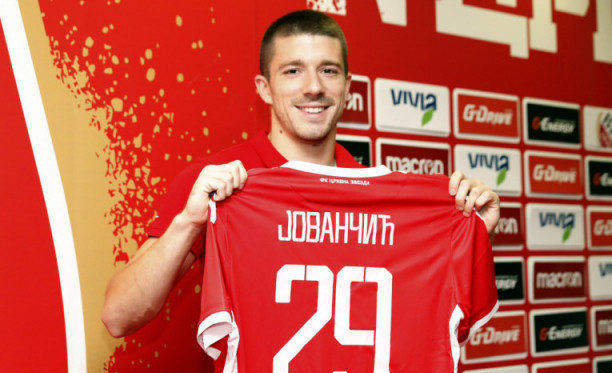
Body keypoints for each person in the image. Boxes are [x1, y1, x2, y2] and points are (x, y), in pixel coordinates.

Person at [101, 9, 500, 338]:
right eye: (293, 71)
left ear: (348, 86)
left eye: (328, 71)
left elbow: (425, 324)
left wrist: (471, 234)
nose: (313, 87)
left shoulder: (375, 195)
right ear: (264, 88)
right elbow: (119, 316)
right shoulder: (217, 181)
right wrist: (188, 223)